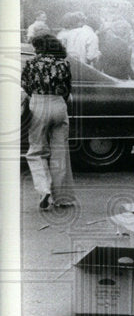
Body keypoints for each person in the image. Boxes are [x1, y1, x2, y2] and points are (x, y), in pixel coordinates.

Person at [21, 34, 76, 209]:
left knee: (37, 151)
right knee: (60, 153)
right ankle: (63, 198)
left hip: (39, 104)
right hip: (59, 104)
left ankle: (44, 189)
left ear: (39, 47)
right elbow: (67, 89)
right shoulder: (63, 63)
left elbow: (26, 87)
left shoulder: (31, 63)